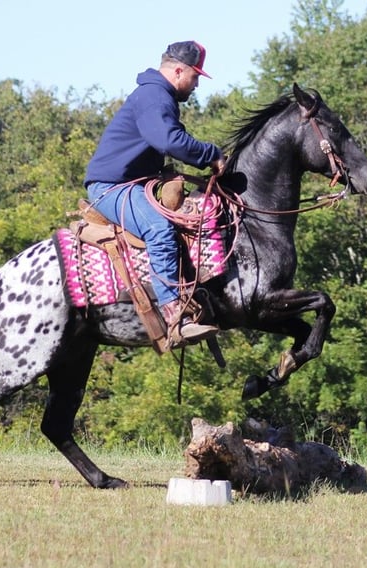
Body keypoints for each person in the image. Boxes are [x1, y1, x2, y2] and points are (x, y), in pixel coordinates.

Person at [84, 40, 225, 344]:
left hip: (128, 184)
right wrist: (211, 154)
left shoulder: (157, 95)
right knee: (159, 228)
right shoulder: (153, 96)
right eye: (195, 76)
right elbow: (169, 140)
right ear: (178, 71)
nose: (197, 85)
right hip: (110, 188)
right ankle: (174, 315)